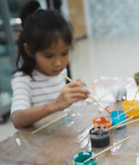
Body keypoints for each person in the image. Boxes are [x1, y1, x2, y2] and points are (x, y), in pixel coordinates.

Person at [11, 1, 89, 129]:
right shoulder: (23, 79)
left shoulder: (59, 73)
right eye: (48, 56)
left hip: (59, 137)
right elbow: (17, 119)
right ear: (29, 50)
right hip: (36, 143)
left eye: (64, 53)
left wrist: (73, 94)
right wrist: (56, 104)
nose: (58, 63)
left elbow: (61, 107)